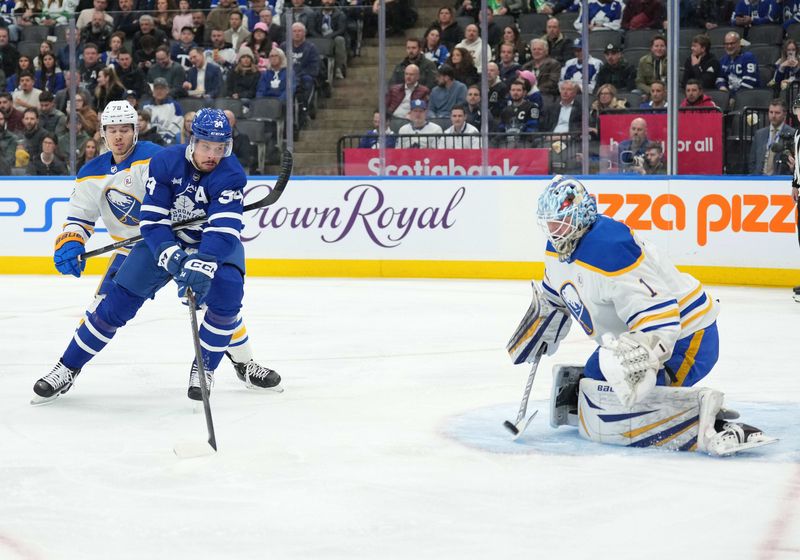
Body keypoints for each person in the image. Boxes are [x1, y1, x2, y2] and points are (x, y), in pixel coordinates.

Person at [510, 174, 775, 456]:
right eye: (549, 221)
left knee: (626, 400)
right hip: (644, 331)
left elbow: (658, 314)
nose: (553, 229)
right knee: (598, 379)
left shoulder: (610, 248)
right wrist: (543, 327)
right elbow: (556, 296)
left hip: (688, 335)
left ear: (580, 215)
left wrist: (646, 359)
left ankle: (716, 427)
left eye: (560, 220)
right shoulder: (558, 245)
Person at [34, 104, 282, 405]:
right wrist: (71, 240)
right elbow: (83, 216)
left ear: (135, 130)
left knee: (222, 299)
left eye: (125, 128)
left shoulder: (157, 155)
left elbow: (219, 222)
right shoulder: (93, 173)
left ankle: (241, 364)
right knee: (107, 309)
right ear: (102, 133)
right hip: (142, 245)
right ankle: (67, 368)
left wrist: (202, 261)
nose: (119, 136)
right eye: (112, 130)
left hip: (191, 240)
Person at [749, 98, 794, 175]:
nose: (773, 116)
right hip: (759, 180)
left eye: (777, 113)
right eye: (771, 112)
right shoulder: (759, 134)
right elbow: (752, 162)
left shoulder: (792, 134)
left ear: (784, 114)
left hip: (781, 181)